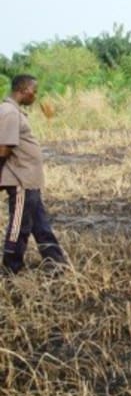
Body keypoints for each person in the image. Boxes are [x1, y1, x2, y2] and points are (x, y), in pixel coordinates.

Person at [0, 74, 67, 274]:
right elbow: (3, 149)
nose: (35, 96)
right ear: (23, 90)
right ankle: (11, 267)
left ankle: (56, 261)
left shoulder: (14, 112)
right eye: (34, 91)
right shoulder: (9, 112)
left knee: (41, 224)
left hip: (30, 181)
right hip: (21, 180)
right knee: (19, 226)